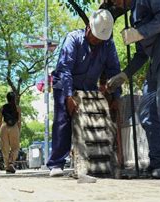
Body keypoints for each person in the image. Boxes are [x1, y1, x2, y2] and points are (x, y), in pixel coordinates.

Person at [107, 0, 160, 179]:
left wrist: (140, 32)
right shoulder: (133, 15)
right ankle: (159, 162)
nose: (115, 3)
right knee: (146, 111)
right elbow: (141, 54)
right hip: (156, 60)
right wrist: (123, 75)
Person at [46, 9, 121, 177]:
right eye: (95, 37)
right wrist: (68, 96)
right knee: (63, 119)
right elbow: (65, 69)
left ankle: (95, 161)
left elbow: (113, 70)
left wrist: (116, 96)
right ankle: (57, 163)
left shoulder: (108, 44)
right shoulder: (73, 39)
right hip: (64, 84)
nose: (97, 41)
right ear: (88, 28)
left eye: (101, 39)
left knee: (96, 117)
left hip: (88, 86)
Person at [0, 92, 21, 174]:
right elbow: (19, 121)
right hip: (14, 127)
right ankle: (11, 162)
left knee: (5, 148)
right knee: (15, 147)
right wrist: (19, 130)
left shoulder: (2, 107)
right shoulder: (17, 108)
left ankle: (7, 166)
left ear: (7, 98)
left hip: (4, 126)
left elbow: (0, 120)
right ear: (14, 98)